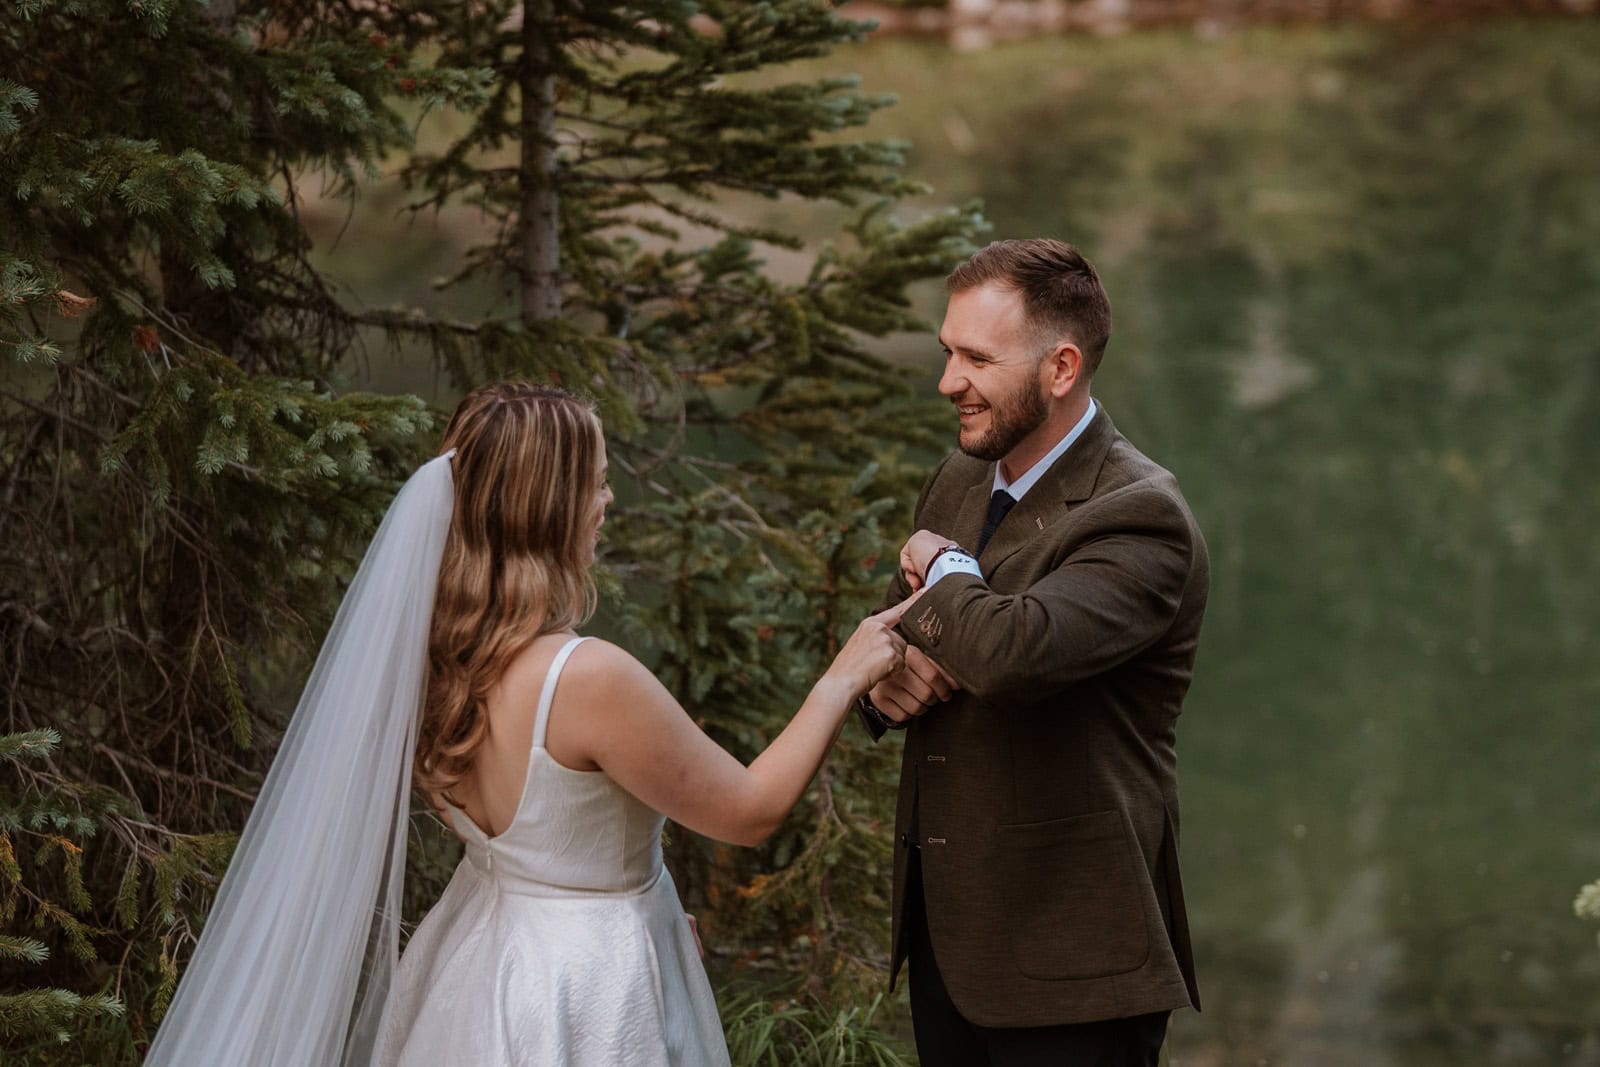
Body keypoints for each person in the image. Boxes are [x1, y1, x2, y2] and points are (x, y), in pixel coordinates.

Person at [145, 381, 916, 1067]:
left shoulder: (434, 656)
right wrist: (842, 676)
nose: (606, 502)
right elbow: (749, 811)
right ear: (545, 506)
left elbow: (548, 844)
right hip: (583, 985)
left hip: (475, 961)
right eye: (596, 484)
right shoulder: (585, 677)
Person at [856, 239, 1209, 1066]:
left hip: (1074, 956)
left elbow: (1015, 653)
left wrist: (942, 567)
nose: (948, 381)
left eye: (977, 357)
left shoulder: (1141, 516)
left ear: (1060, 367)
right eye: (949, 351)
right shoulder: (959, 478)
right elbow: (910, 631)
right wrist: (886, 683)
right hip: (953, 933)